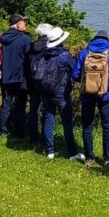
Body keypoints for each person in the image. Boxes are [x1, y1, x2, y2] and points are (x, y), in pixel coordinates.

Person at [72, 29, 109, 167]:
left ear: (94, 38)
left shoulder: (85, 52)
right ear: (107, 39)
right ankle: (107, 158)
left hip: (87, 94)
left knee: (87, 126)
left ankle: (89, 157)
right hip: (106, 95)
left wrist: (87, 81)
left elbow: (75, 75)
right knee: (107, 126)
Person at [37, 26, 82, 161]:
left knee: (48, 119)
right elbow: (76, 72)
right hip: (61, 93)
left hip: (45, 91)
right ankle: (72, 152)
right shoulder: (64, 55)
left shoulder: (44, 54)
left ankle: (50, 151)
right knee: (67, 122)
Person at [0, 14, 31, 137]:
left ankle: (3, 129)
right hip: (19, 76)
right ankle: (19, 131)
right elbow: (29, 58)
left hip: (4, 75)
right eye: (24, 23)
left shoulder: (3, 37)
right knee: (20, 104)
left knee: (6, 103)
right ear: (17, 24)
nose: (26, 25)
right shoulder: (25, 39)